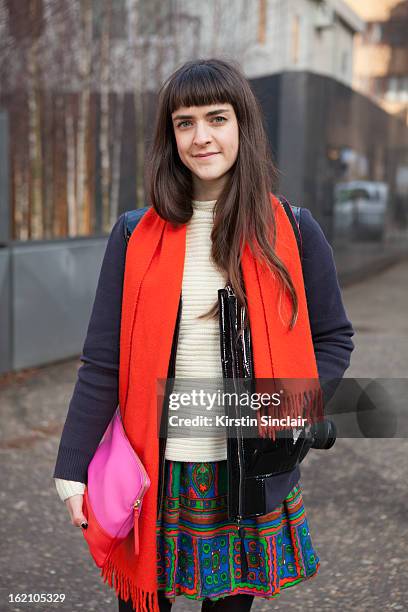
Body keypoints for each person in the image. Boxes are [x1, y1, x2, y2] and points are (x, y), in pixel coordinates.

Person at [53, 58, 354, 612]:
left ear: (243, 125)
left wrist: (290, 408)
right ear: (171, 136)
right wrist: (71, 466)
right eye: (184, 122)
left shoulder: (291, 229)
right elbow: (102, 362)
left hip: (243, 472)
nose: (201, 137)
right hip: (153, 474)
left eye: (216, 118)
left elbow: (334, 337)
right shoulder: (132, 235)